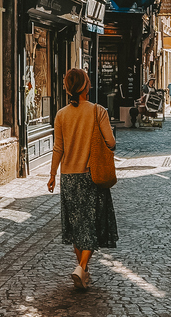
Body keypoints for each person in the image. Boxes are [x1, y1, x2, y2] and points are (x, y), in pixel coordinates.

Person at [47, 68, 118, 291]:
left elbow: (58, 148)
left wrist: (51, 175)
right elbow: (111, 142)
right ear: (86, 86)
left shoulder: (60, 115)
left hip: (68, 177)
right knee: (93, 225)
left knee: (78, 227)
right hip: (91, 176)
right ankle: (81, 268)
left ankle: (82, 272)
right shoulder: (98, 111)